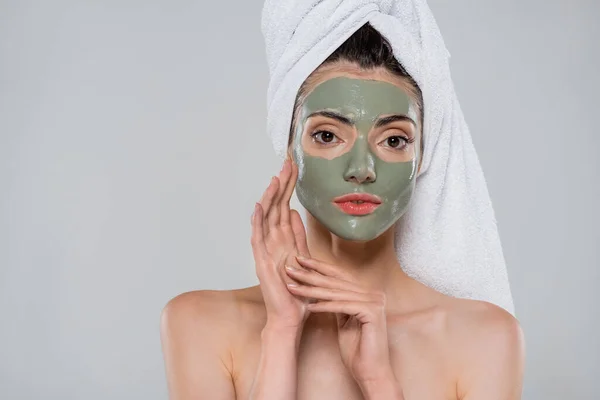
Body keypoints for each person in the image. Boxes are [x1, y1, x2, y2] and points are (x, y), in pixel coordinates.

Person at [160, 23, 525, 400]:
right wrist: (282, 334)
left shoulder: (485, 338)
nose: (361, 168)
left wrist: (378, 381)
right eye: (328, 135)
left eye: (394, 139)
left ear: (421, 161)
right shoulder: (200, 322)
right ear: (288, 149)